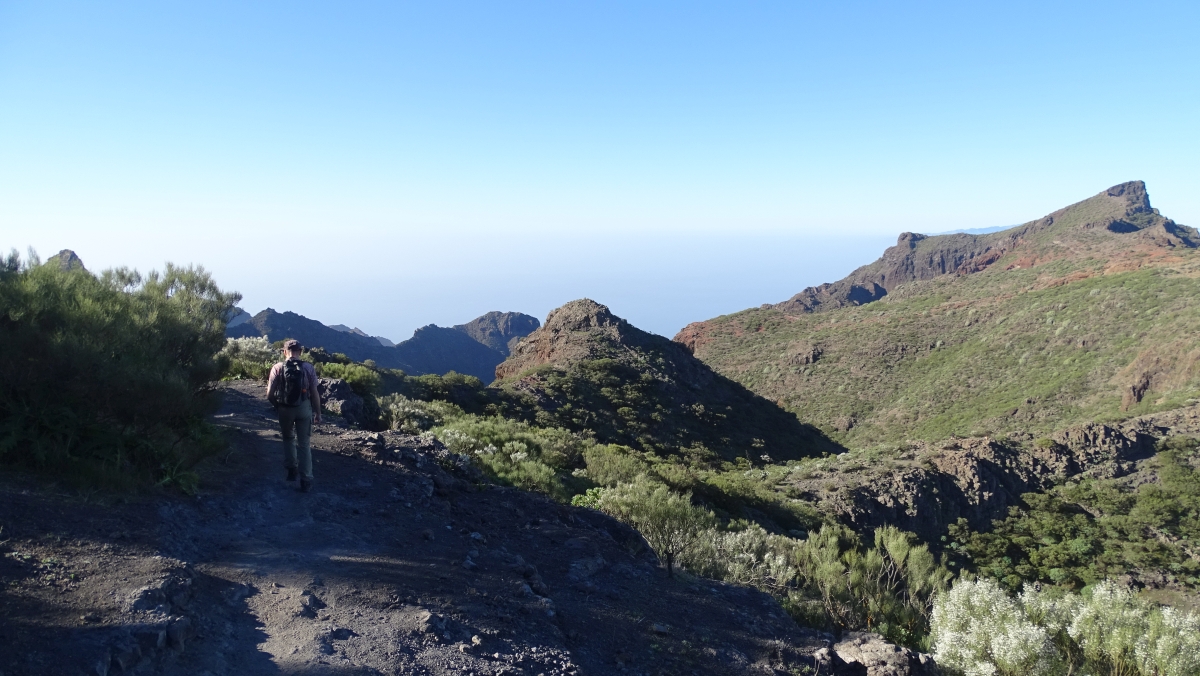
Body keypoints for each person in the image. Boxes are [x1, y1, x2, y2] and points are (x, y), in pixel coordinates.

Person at [266, 340, 322, 492]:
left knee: (288, 438)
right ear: (301, 352)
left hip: (285, 408)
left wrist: (278, 406)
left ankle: (292, 469)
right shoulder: (308, 368)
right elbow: (315, 393)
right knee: (304, 444)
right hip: (304, 407)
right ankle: (306, 479)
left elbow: (269, 394)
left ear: (284, 352)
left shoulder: (277, 368)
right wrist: (317, 412)